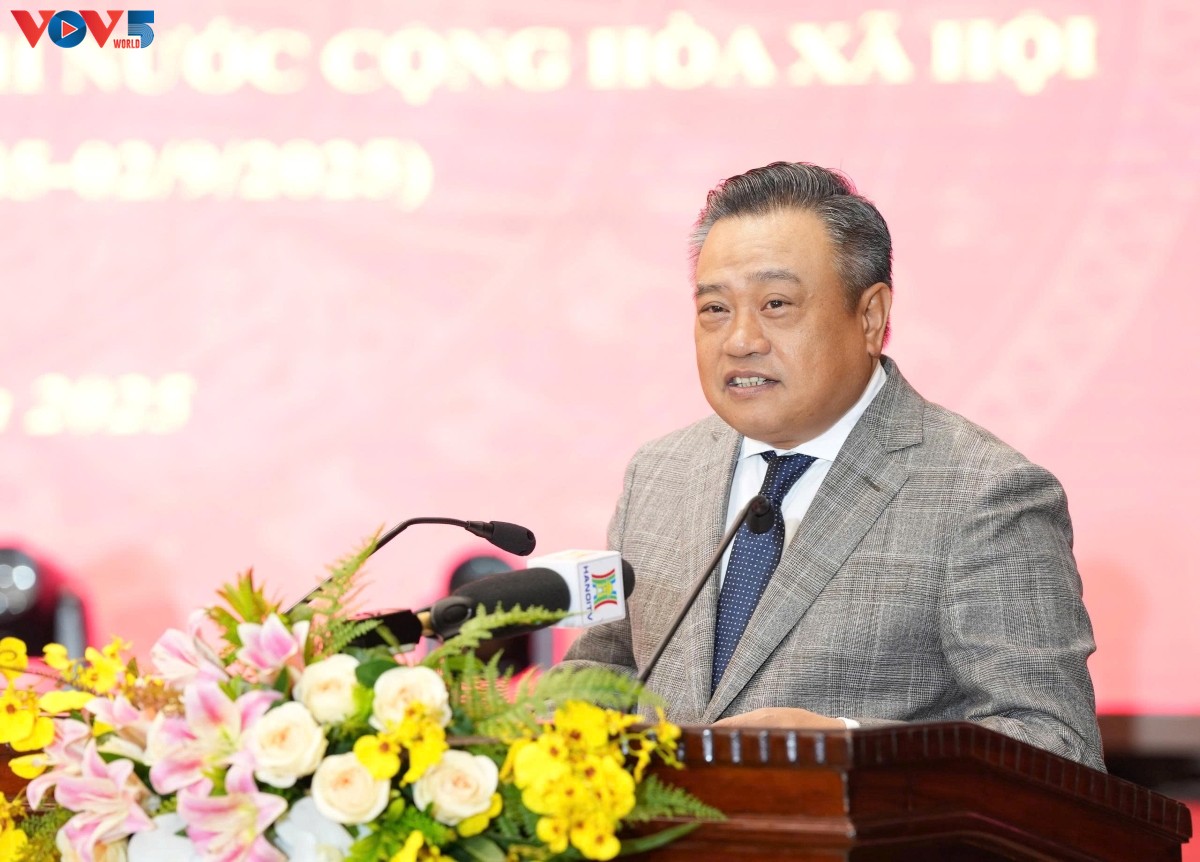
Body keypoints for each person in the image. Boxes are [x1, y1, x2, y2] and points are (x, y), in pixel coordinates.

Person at [562, 161, 1105, 771]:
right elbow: (606, 670)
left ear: (870, 317)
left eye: (776, 304)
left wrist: (844, 745)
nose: (740, 340)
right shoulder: (660, 474)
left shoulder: (984, 494)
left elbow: (1057, 744)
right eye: (715, 309)